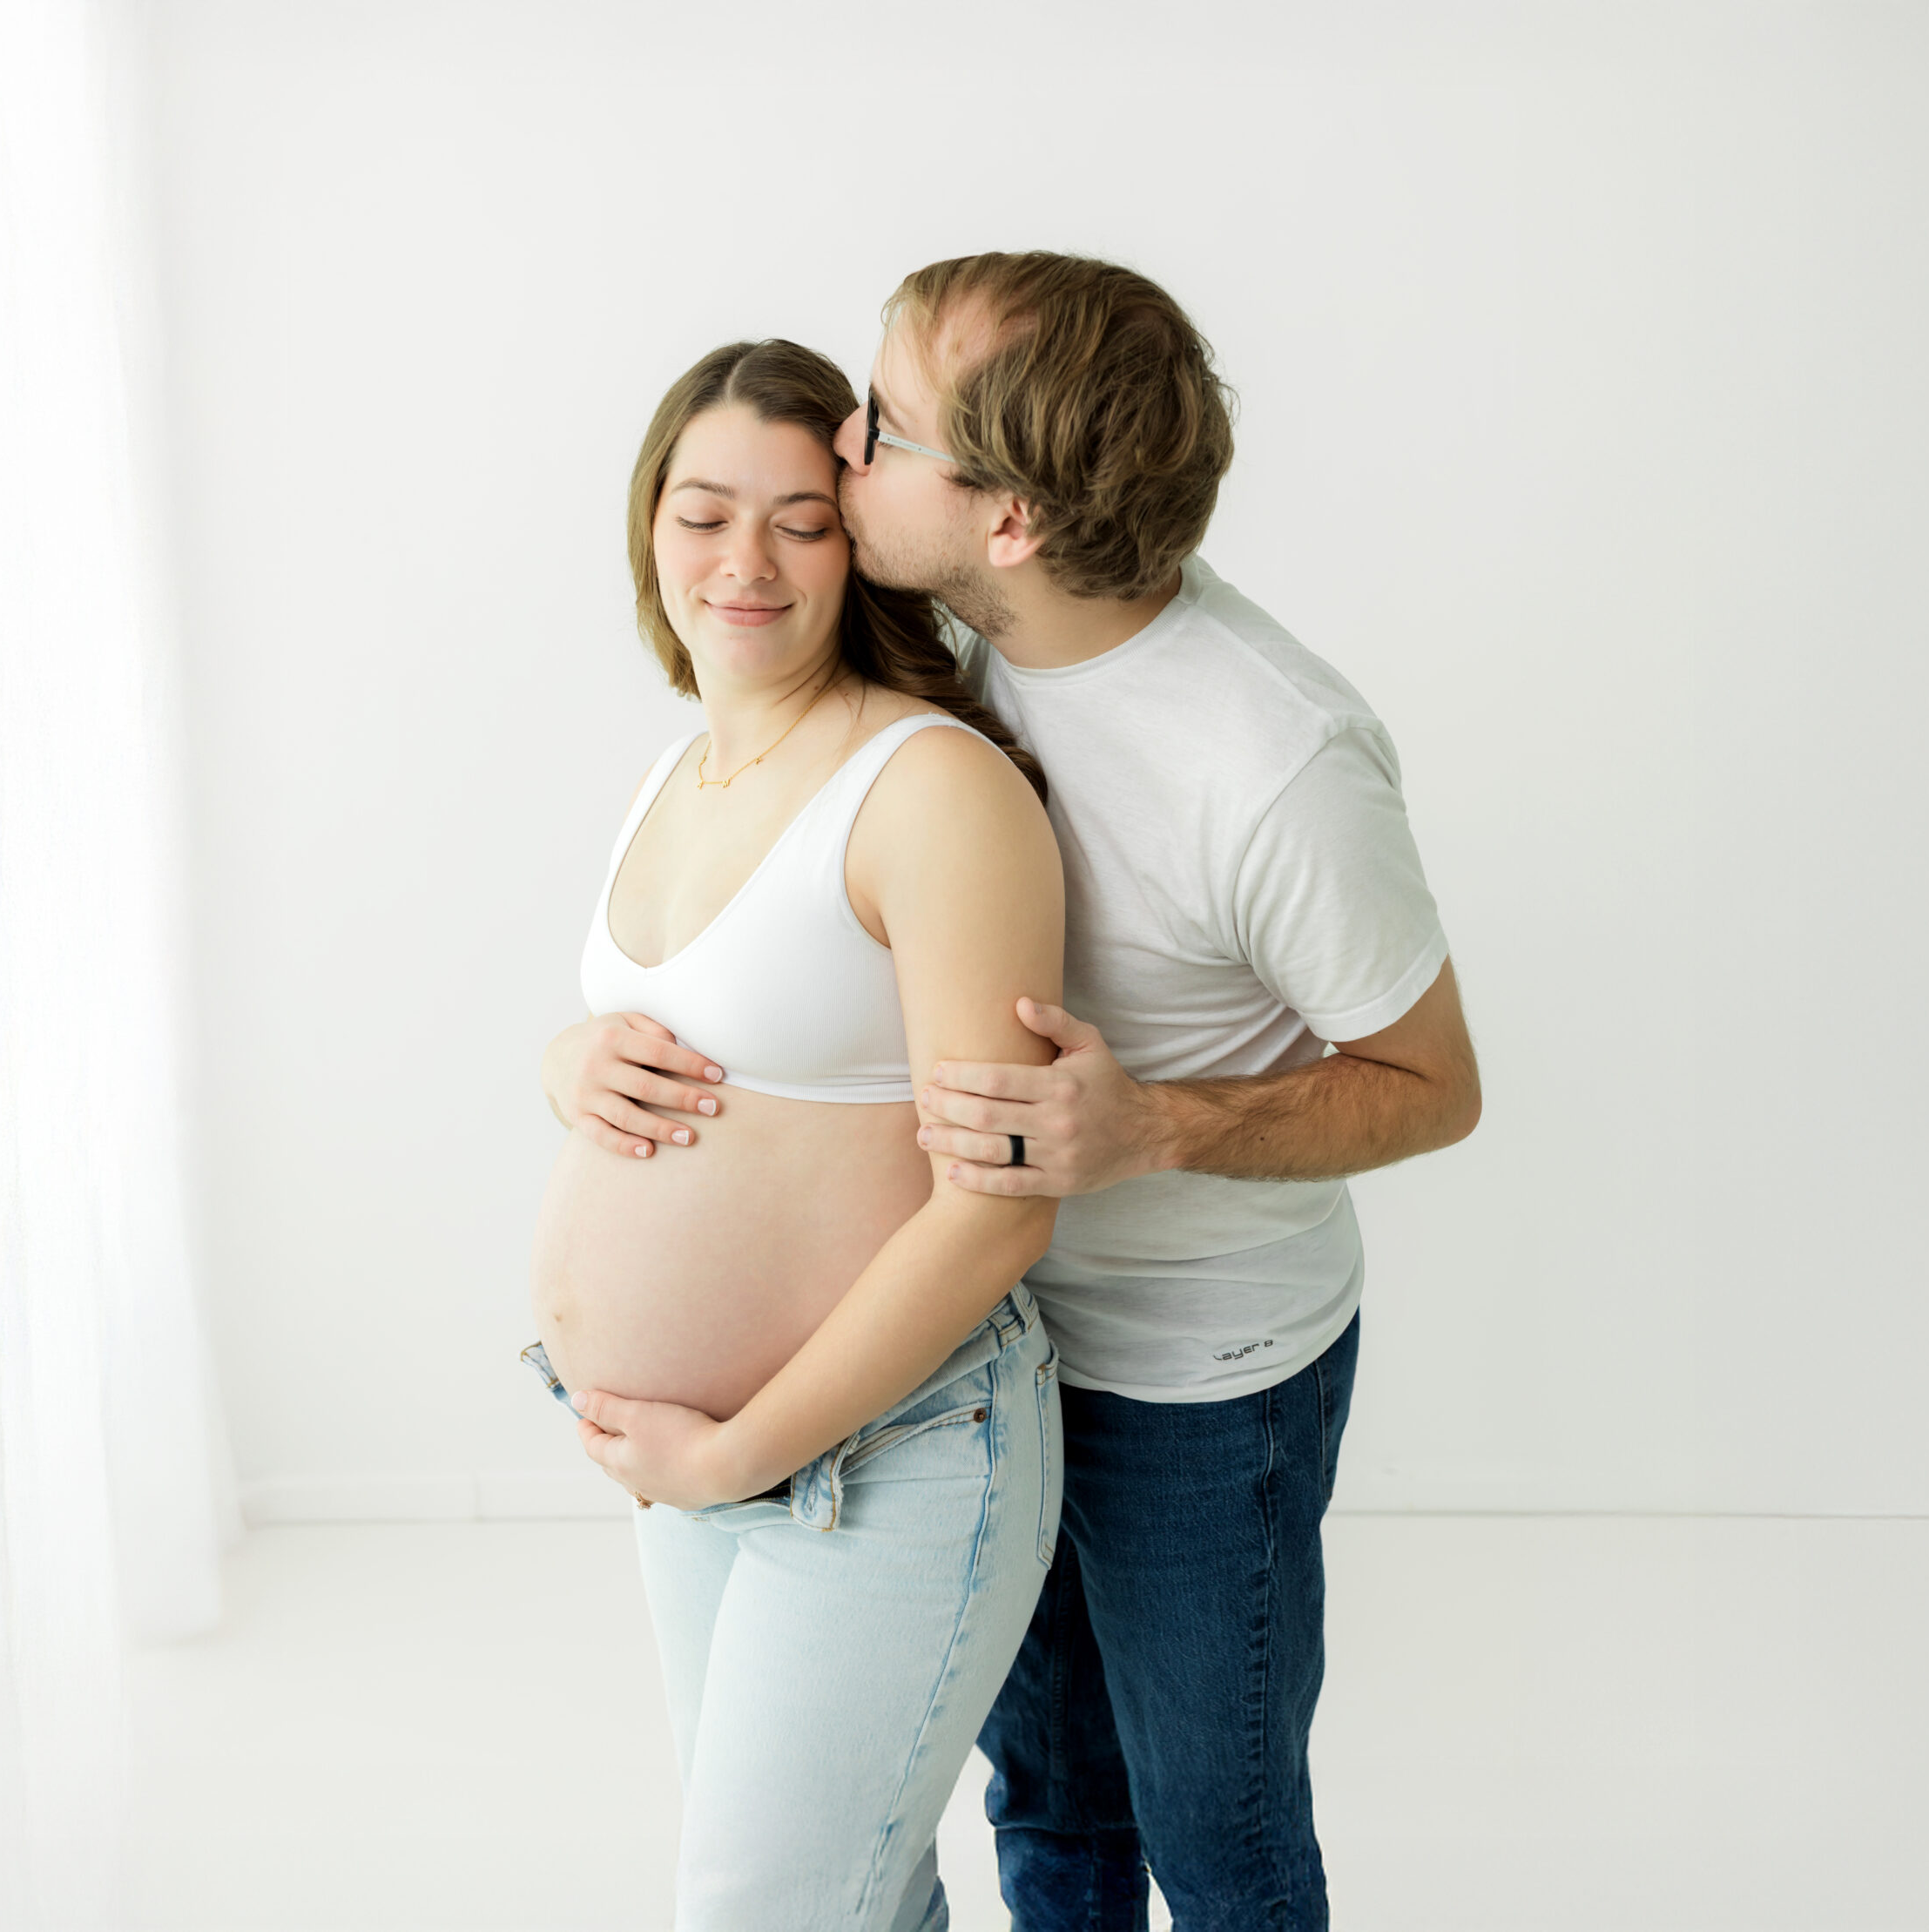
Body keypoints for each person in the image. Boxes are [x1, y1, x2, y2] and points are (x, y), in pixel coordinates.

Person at [563, 256, 1484, 1930]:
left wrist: (1163, 1125)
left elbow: (1434, 1085)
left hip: (1202, 1375)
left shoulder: (1269, 761)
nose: (844, 444)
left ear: (1004, 521)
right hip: (974, 1357)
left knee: (1219, 1835)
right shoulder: (947, 648)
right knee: (1050, 1809)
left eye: (884, 430)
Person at [527, 337, 1069, 1932]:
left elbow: (1001, 1207)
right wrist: (569, 1063)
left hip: (881, 1460)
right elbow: (727, 1045)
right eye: (701, 513)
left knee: (772, 1911)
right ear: (649, 526)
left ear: (859, 542)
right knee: (847, 1899)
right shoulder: (681, 768)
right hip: (705, 1472)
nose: (742, 560)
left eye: (797, 520)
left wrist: (741, 1453)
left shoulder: (933, 785)